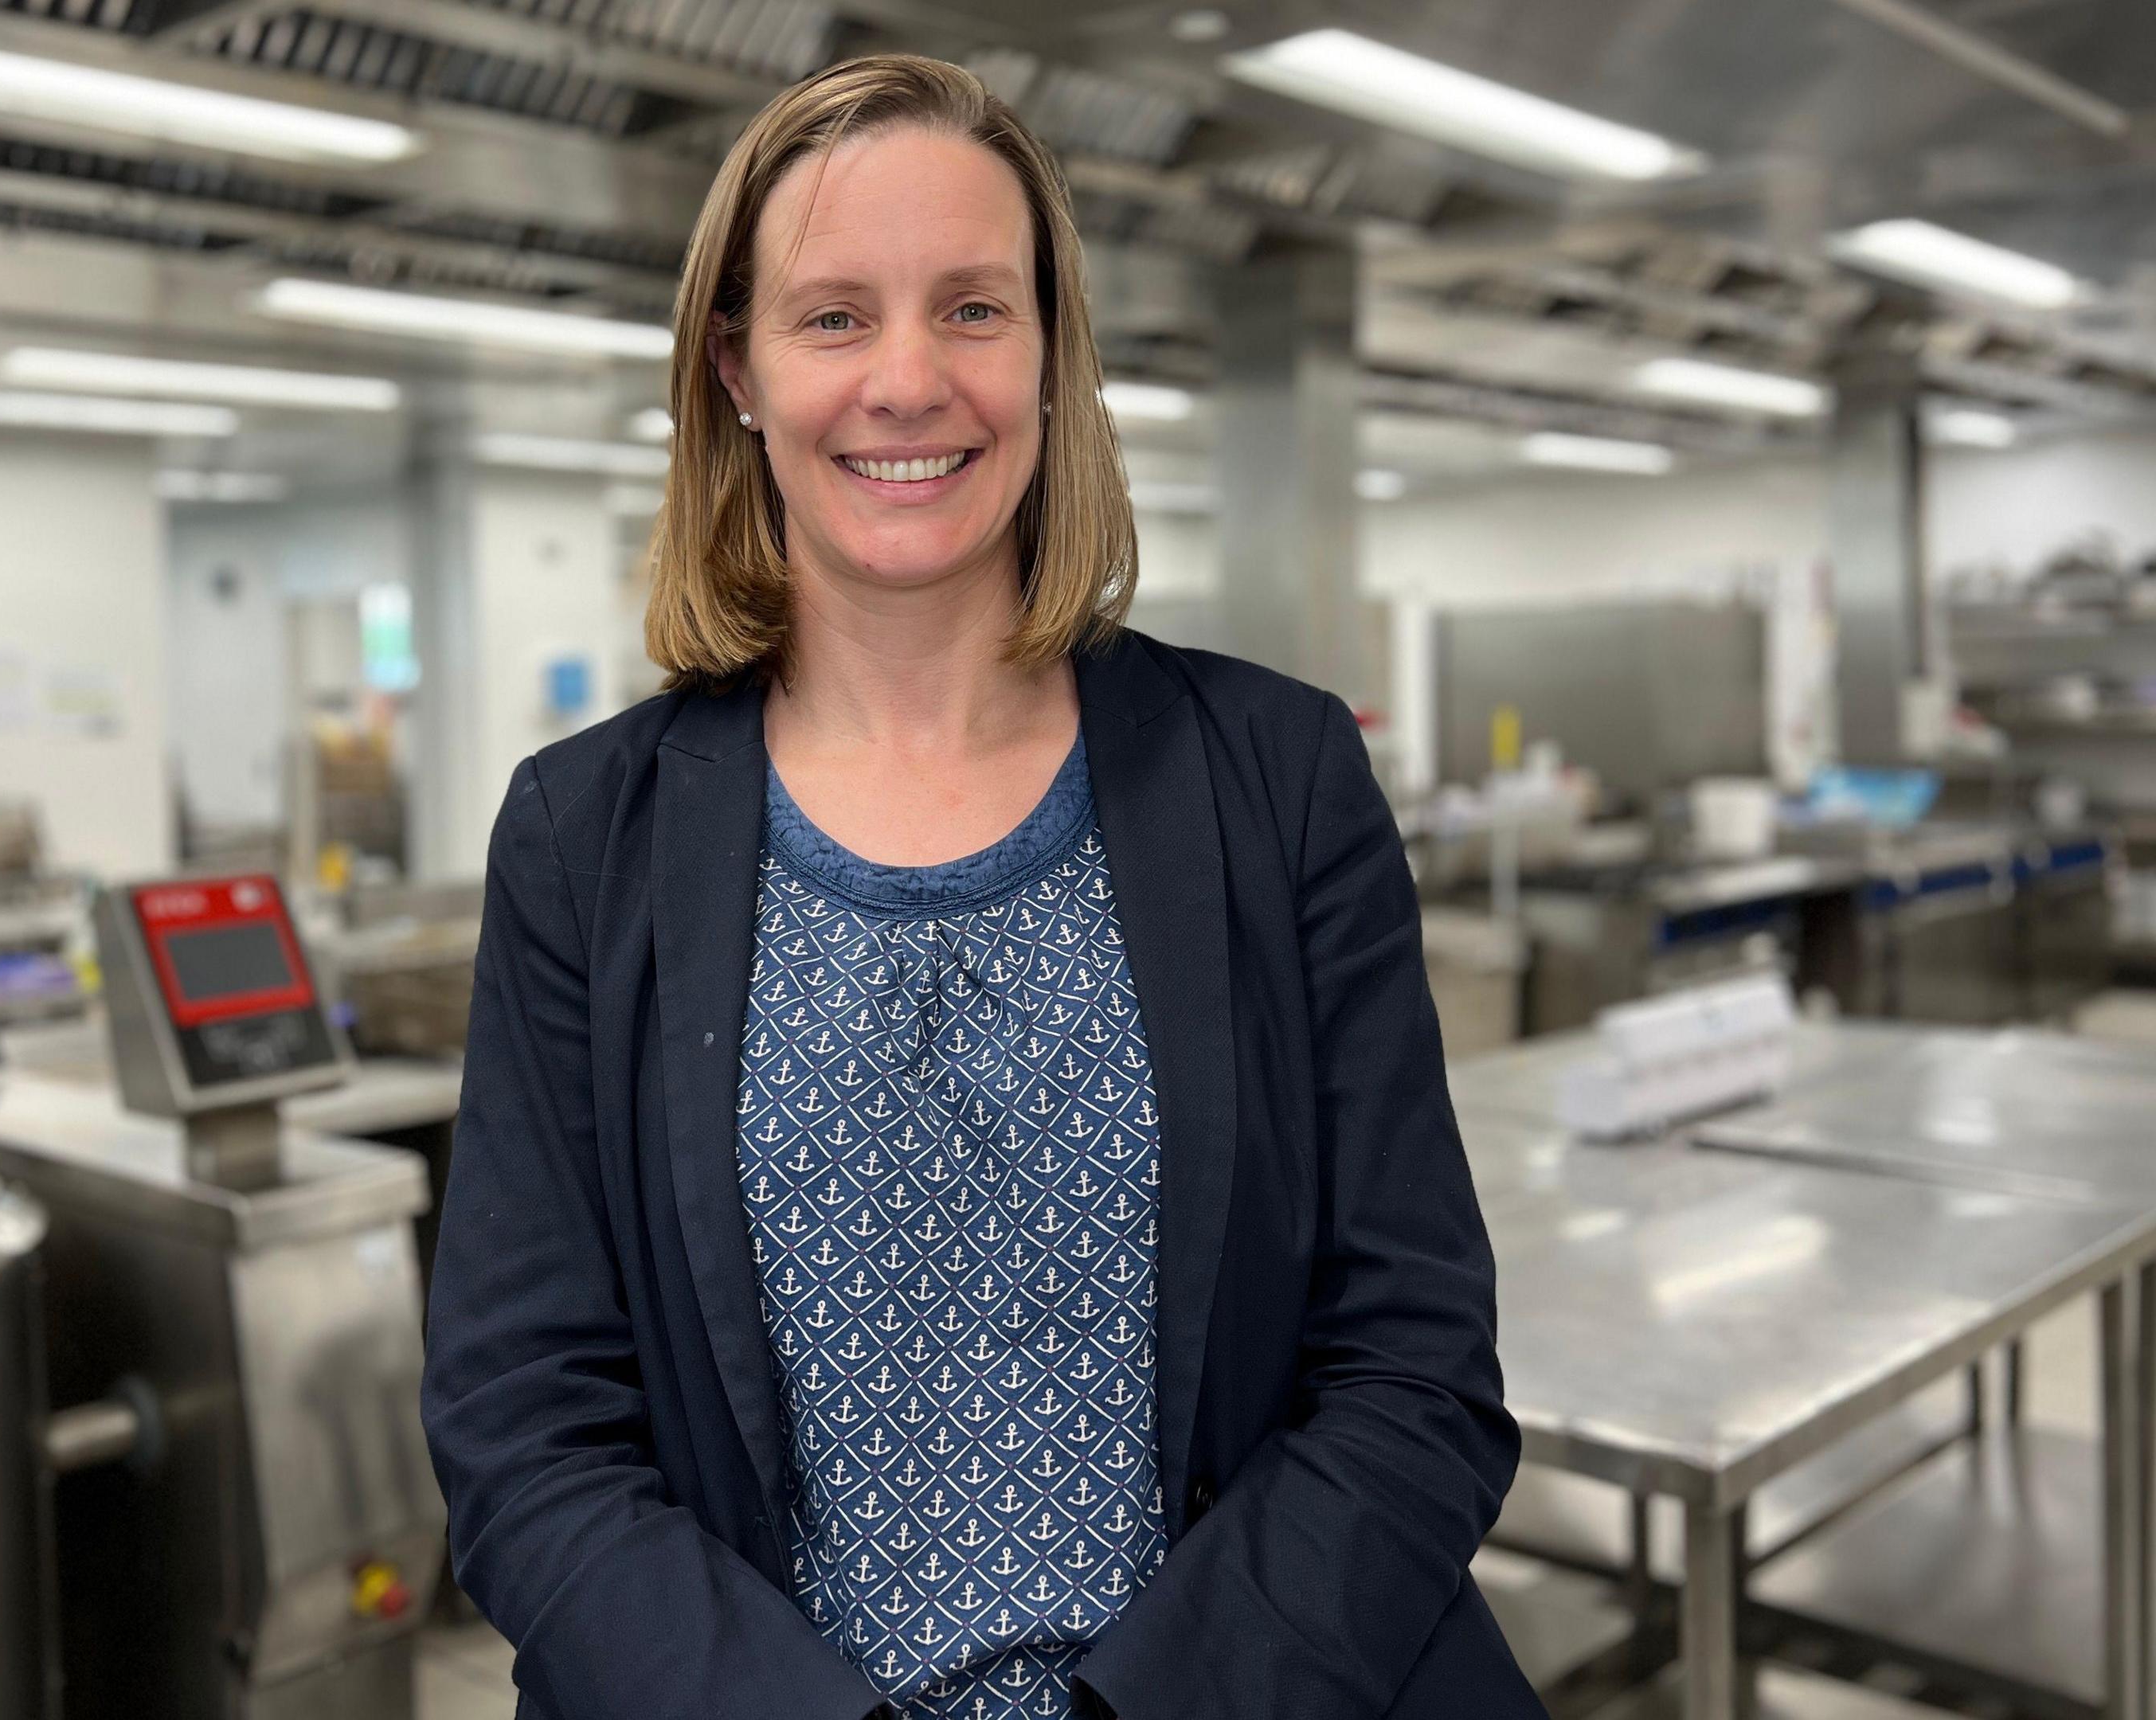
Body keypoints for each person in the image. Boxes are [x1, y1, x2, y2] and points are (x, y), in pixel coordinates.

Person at [422, 53, 1534, 1720]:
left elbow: (1415, 1371)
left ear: (1052, 359)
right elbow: (527, 1435)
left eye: (973, 308)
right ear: (735, 367)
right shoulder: (587, 843)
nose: (909, 379)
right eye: (834, 317)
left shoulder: (1278, 781)